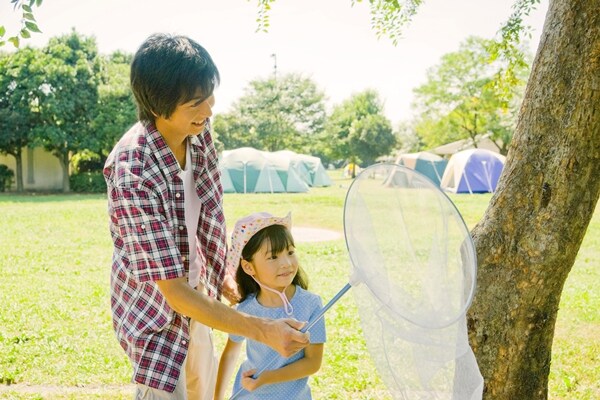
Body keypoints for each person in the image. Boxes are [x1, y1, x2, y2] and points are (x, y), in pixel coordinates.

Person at [103, 33, 309, 400]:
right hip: (156, 316)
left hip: (200, 298)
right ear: (158, 106)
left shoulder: (199, 132)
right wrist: (263, 330)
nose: (209, 110)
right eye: (197, 102)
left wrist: (224, 277)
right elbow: (173, 292)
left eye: (210, 95)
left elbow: (209, 211)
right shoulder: (132, 170)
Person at [214, 212, 326, 400]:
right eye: (273, 257)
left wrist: (267, 378)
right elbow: (230, 354)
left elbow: (313, 362)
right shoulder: (246, 310)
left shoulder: (310, 304)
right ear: (249, 267)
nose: (286, 263)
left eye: (290, 252)